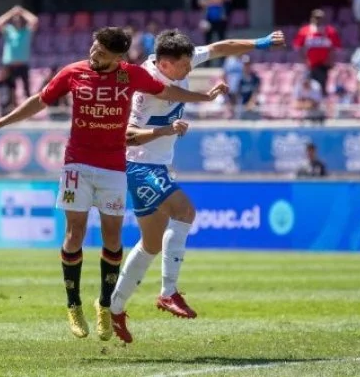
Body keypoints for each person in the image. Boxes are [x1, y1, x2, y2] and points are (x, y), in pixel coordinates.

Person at [0, 27, 227, 341]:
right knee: (75, 232)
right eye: (94, 47)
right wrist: (1, 121)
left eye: (103, 52)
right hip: (76, 164)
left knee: (112, 237)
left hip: (114, 167)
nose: (94, 53)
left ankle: (106, 306)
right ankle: (73, 304)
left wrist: (204, 97)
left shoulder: (130, 75)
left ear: (119, 58)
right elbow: (41, 100)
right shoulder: (73, 72)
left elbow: (167, 92)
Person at [109, 29, 285, 343]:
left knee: (150, 244)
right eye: (184, 66)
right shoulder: (144, 88)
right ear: (164, 64)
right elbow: (128, 135)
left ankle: (115, 308)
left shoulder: (181, 59)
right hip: (139, 165)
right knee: (185, 211)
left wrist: (261, 42)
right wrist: (170, 126)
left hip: (158, 165)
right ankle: (168, 292)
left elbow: (221, 47)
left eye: (190, 62)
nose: (190, 68)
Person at [293, 9, 341, 94]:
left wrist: (331, 61)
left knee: (321, 89)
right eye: (316, 17)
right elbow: (298, 48)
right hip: (310, 66)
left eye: (320, 18)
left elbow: (336, 49)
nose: (318, 20)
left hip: (324, 66)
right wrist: (304, 60)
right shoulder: (304, 31)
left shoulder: (330, 32)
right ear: (312, 18)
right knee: (309, 89)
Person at [0, 5, 38, 98]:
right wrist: (11, 12)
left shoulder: (26, 31)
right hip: (9, 65)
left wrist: (22, 12)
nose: (17, 21)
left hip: (22, 64)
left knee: (26, 90)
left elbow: (34, 20)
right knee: (8, 89)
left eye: (19, 20)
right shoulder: (9, 30)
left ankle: (28, 105)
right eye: (15, 20)